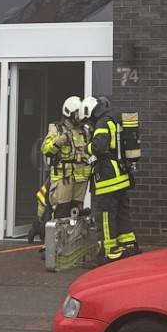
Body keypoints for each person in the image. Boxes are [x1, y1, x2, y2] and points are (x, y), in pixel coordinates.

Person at [87, 96, 137, 260]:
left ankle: (109, 252)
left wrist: (87, 146)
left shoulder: (102, 123)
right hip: (122, 176)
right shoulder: (117, 118)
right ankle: (128, 246)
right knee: (122, 213)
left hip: (108, 179)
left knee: (106, 216)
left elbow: (99, 147)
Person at [42, 96, 92, 223]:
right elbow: (46, 150)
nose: (79, 116)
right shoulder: (57, 129)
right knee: (61, 211)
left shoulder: (85, 131)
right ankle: (56, 241)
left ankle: (73, 242)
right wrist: (60, 140)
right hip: (63, 178)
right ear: (69, 113)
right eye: (77, 113)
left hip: (81, 178)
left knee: (76, 212)